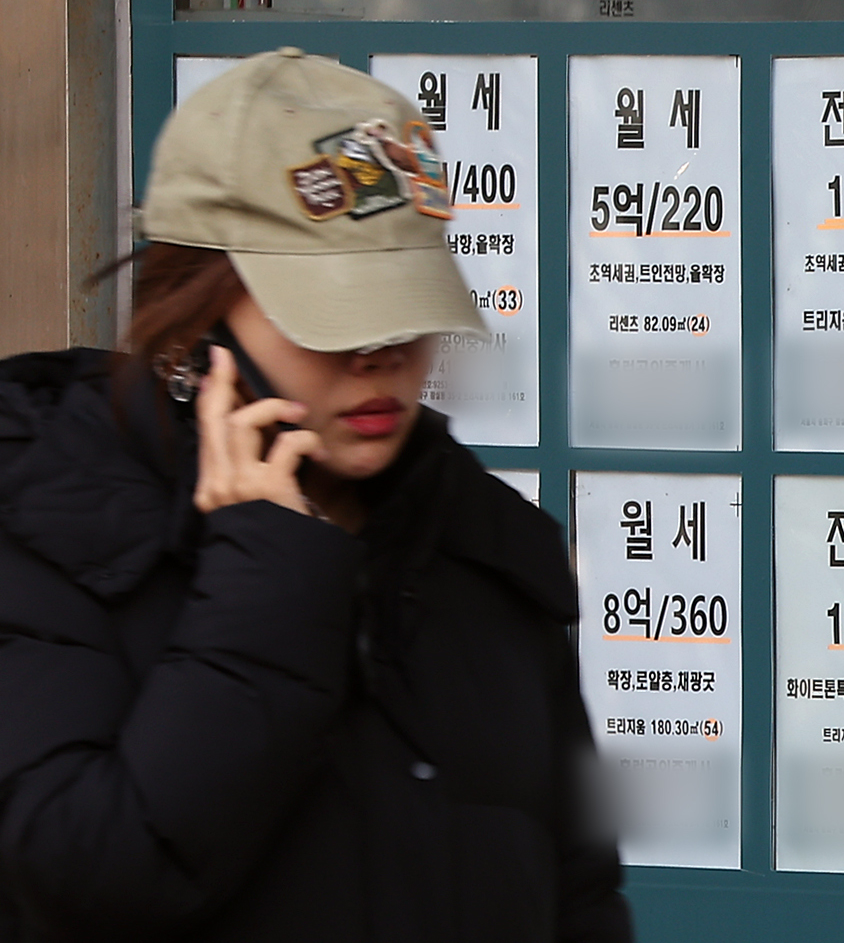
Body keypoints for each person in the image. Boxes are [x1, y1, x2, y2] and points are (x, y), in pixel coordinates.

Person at [0, 48, 631, 943]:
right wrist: (268, 582)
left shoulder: (483, 553)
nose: (380, 353)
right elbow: (85, 879)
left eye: (405, 308)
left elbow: (578, 894)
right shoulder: (48, 523)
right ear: (196, 316)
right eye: (333, 315)